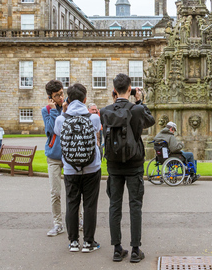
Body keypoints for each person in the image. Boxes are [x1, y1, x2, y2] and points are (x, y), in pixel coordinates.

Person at [100, 73, 155, 263]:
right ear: (130, 89)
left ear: (114, 90)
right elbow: (150, 121)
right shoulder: (137, 110)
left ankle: (116, 249)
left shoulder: (104, 111)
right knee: (135, 206)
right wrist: (140, 101)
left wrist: (114, 102)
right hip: (134, 163)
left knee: (114, 206)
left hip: (114, 165)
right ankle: (135, 249)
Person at [54, 83, 102, 253]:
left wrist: (64, 110)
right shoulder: (94, 118)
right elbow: (96, 131)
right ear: (85, 99)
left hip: (70, 168)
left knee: (72, 204)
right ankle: (89, 242)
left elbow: (58, 132)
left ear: (68, 99)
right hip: (92, 167)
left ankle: (73, 242)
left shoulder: (61, 119)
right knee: (90, 205)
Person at [41, 79, 66, 237]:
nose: (61, 97)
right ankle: (58, 224)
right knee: (55, 192)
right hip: (54, 156)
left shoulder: (69, 106)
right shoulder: (46, 110)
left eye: (62, 93)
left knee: (73, 192)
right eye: (57, 96)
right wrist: (55, 110)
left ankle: (79, 219)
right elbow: (52, 130)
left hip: (70, 155)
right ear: (50, 97)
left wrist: (64, 110)